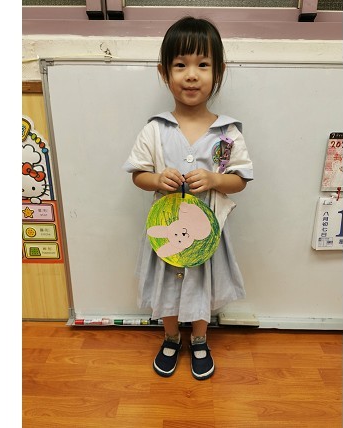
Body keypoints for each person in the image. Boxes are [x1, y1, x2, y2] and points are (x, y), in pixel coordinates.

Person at [122, 16, 253, 380]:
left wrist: (214, 179)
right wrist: (156, 179)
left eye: (203, 64)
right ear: (164, 73)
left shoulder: (227, 132)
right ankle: (169, 337)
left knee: (201, 282)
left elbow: (240, 180)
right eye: (180, 65)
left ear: (218, 71)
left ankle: (198, 339)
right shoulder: (155, 128)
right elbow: (137, 174)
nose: (191, 75)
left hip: (206, 231)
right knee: (166, 281)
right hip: (166, 227)